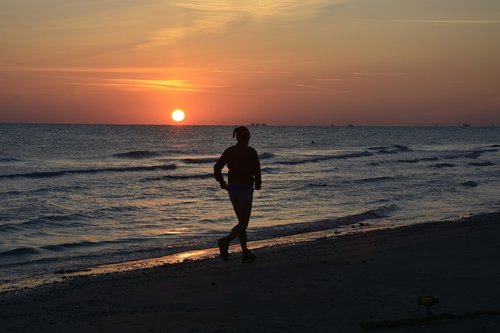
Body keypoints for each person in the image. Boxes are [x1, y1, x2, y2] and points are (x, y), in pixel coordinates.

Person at [214, 126, 262, 263]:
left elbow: (217, 167)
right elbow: (257, 170)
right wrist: (258, 184)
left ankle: (245, 252)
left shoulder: (230, 151)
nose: (248, 139)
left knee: (241, 222)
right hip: (245, 189)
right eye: (248, 137)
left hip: (233, 189)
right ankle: (226, 241)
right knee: (243, 223)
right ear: (244, 138)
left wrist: (221, 181)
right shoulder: (251, 152)